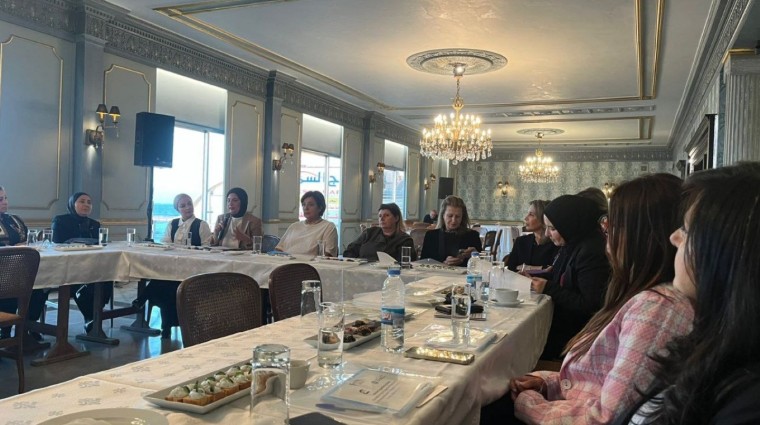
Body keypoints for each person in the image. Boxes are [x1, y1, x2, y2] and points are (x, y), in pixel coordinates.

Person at [489, 174, 694, 424]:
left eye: (613, 224)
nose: (605, 231)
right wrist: (547, 383)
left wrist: (527, 402)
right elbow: (597, 378)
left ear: (643, 236)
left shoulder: (656, 309)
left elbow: (604, 417)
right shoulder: (641, 295)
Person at [615, 163, 760, 425]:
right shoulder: (711, 342)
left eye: (686, 229)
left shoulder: (748, 400)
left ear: (725, 250)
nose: (673, 237)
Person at [530, 194, 611, 359]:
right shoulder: (572, 244)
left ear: (568, 225)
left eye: (552, 228)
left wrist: (548, 287)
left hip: (576, 335)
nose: (547, 233)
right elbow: (561, 275)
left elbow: (590, 305)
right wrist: (533, 277)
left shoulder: (591, 252)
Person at [138, 193, 213, 338]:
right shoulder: (172, 224)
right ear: (177, 209)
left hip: (193, 268)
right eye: (183, 205)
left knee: (163, 283)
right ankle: (166, 325)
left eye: (189, 204)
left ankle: (144, 300)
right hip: (174, 267)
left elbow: (207, 247)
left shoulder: (201, 224)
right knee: (166, 285)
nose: (187, 207)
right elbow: (165, 243)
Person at [52, 192, 113, 332]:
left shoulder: (95, 224)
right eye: (82, 201)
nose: (86, 205)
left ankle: (95, 313)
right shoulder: (61, 221)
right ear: (72, 204)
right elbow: (56, 243)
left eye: (89, 202)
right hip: (68, 267)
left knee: (108, 274)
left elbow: (101, 244)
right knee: (80, 281)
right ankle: (91, 318)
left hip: (92, 265)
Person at [420, 196, 482, 266]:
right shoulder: (431, 236)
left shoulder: (472, 236)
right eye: (450, 216)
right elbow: (423, 263)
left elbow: (482, 266)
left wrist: (476, 256)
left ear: (462, 217)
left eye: (457, 216)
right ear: (443, 215)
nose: (453, 221)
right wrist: (443, 264)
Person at [343, 203, 416, 262]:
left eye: (386, 215)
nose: (382, 219)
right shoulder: (369, 233)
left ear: (396, 218)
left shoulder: (405, 240)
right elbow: (349, 251)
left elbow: (404, 263)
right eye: (380, 216)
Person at [275, 191, 337, 256]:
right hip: (285, 261)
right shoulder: (294, 226)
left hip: (310, 262)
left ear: (320, 208)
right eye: (304, 205)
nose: (306, 208)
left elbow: (328, 255)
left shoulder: (328, 227)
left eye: (311, 205)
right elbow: (279, 249)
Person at [505, 200, 558, 272]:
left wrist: (525, 267)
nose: (525, 218)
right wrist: (540, 268)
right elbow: (510, 268)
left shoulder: (556, 243)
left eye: (531, 214)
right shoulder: (521, 241)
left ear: (544, 219)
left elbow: (554, 271)